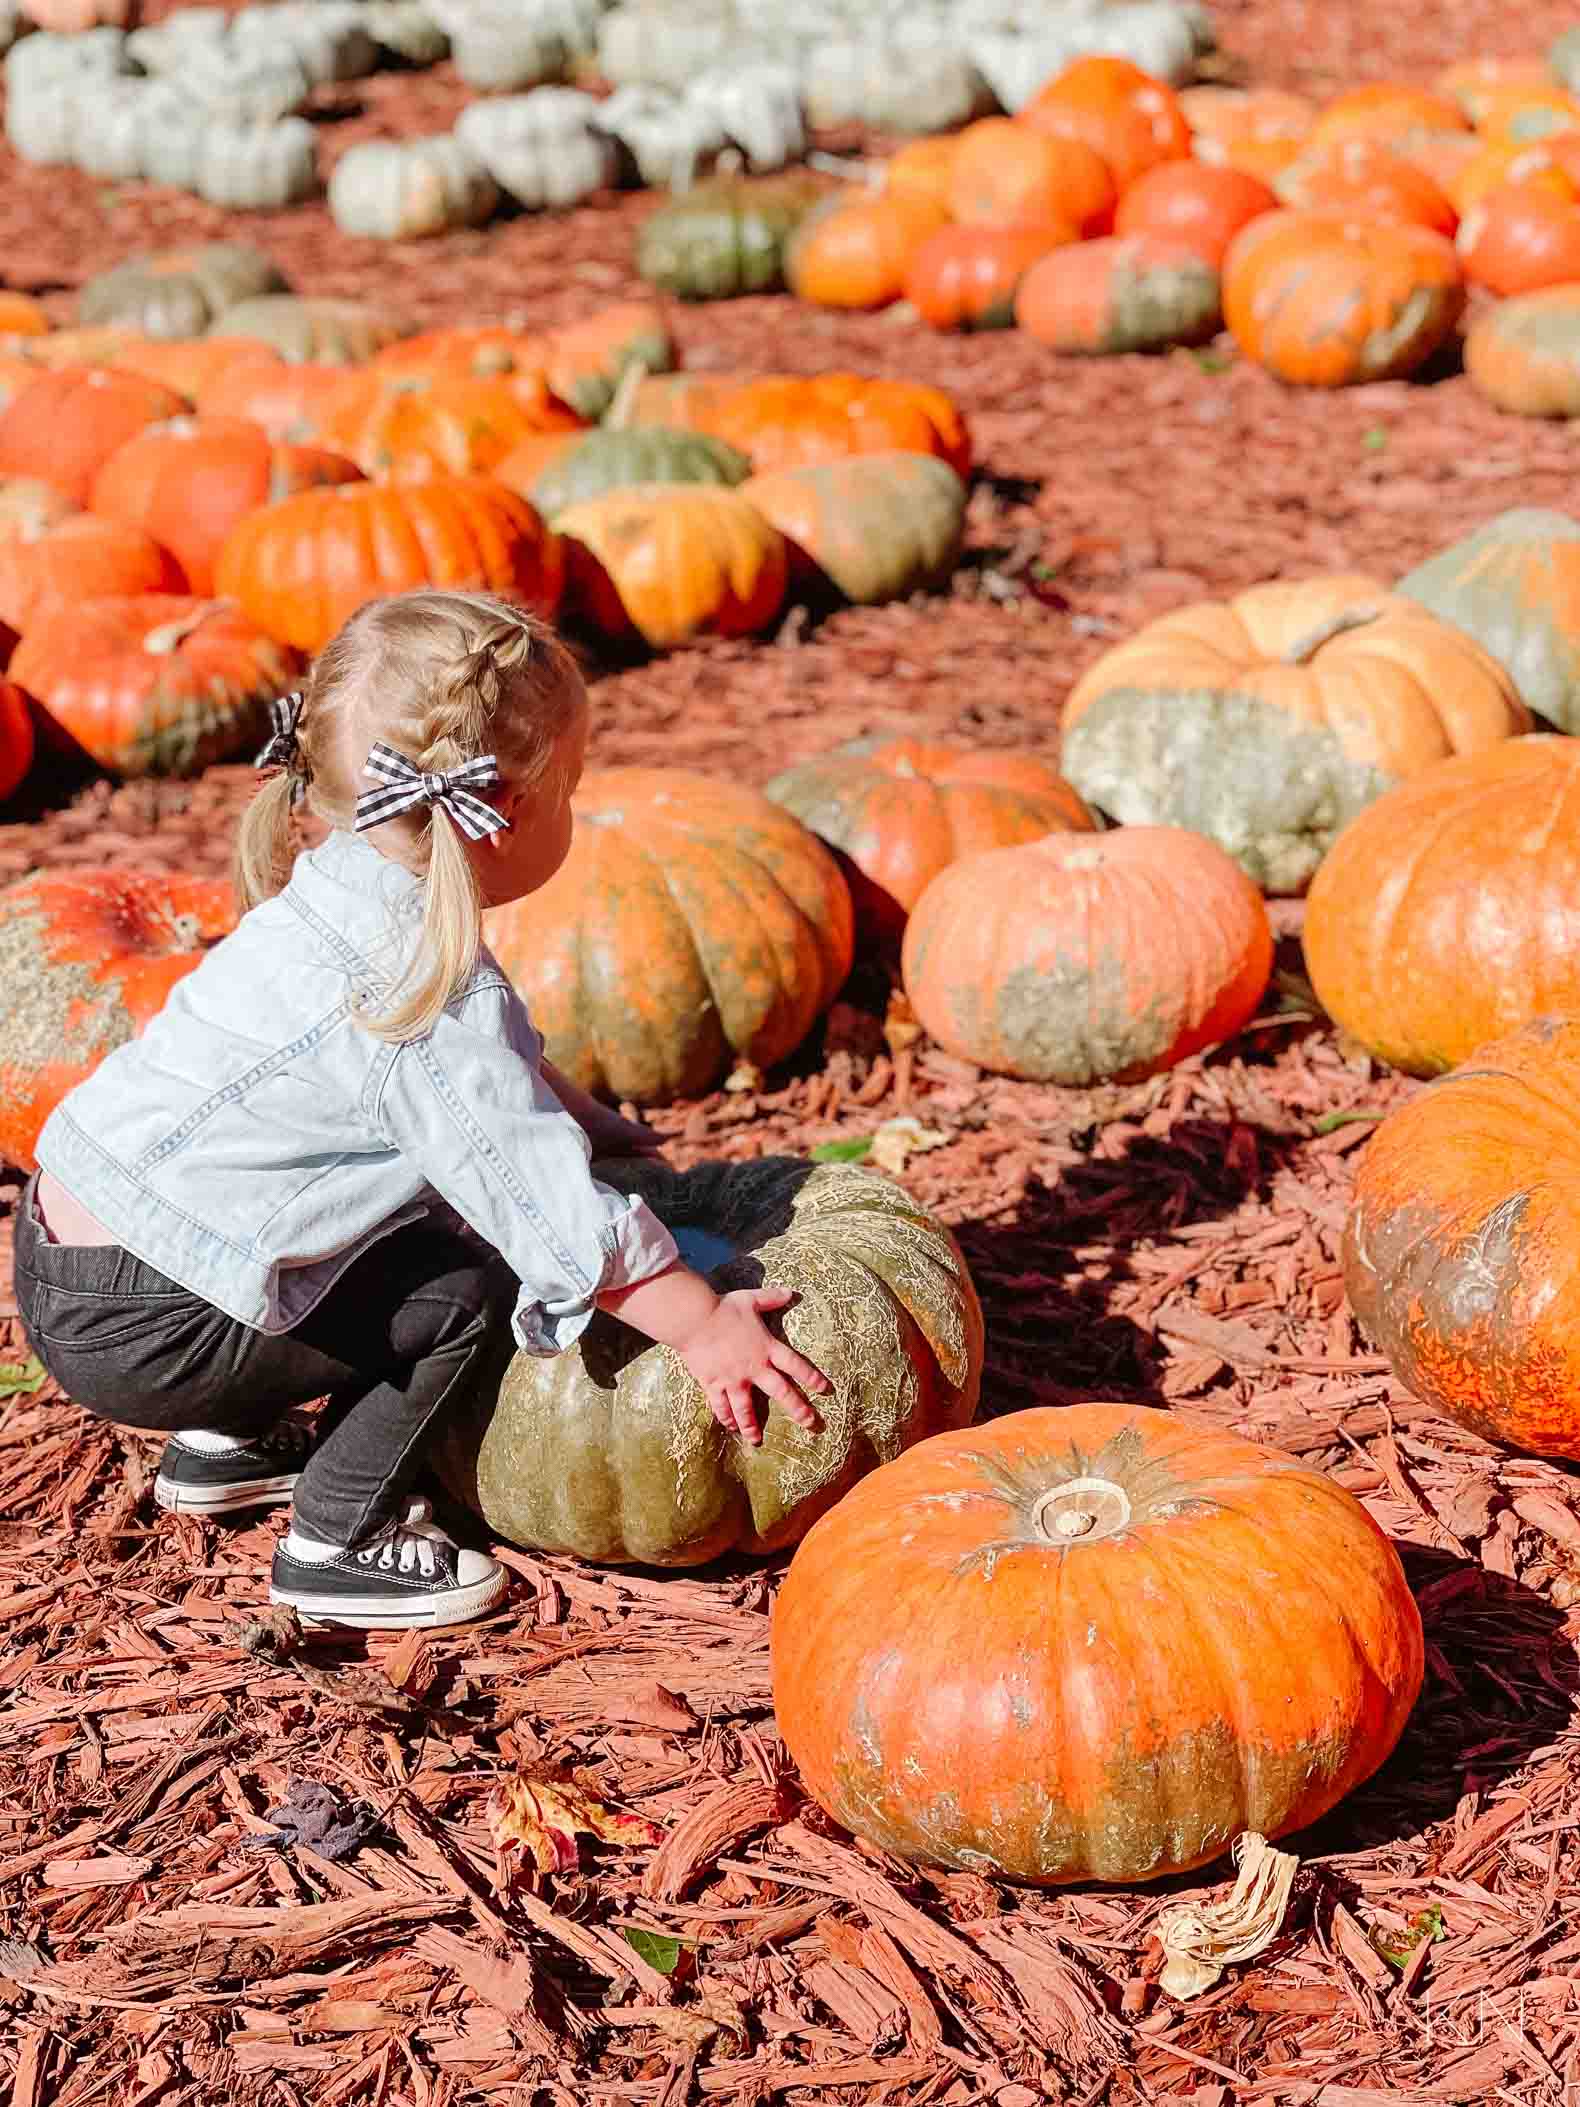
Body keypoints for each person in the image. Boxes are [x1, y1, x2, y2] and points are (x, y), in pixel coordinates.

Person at [13, 590, 830, 1630]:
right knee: (462, 1286)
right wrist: (704, 1324)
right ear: (503, 812)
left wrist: (575, 1116)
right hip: (149, 1322)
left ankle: (230, 1436)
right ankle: (338, 1539)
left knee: (366, 1200)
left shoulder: (338, 885)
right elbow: (551, 1223)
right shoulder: (425, 993)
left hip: (69, 1248)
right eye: (571, 785)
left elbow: (468, 1090)